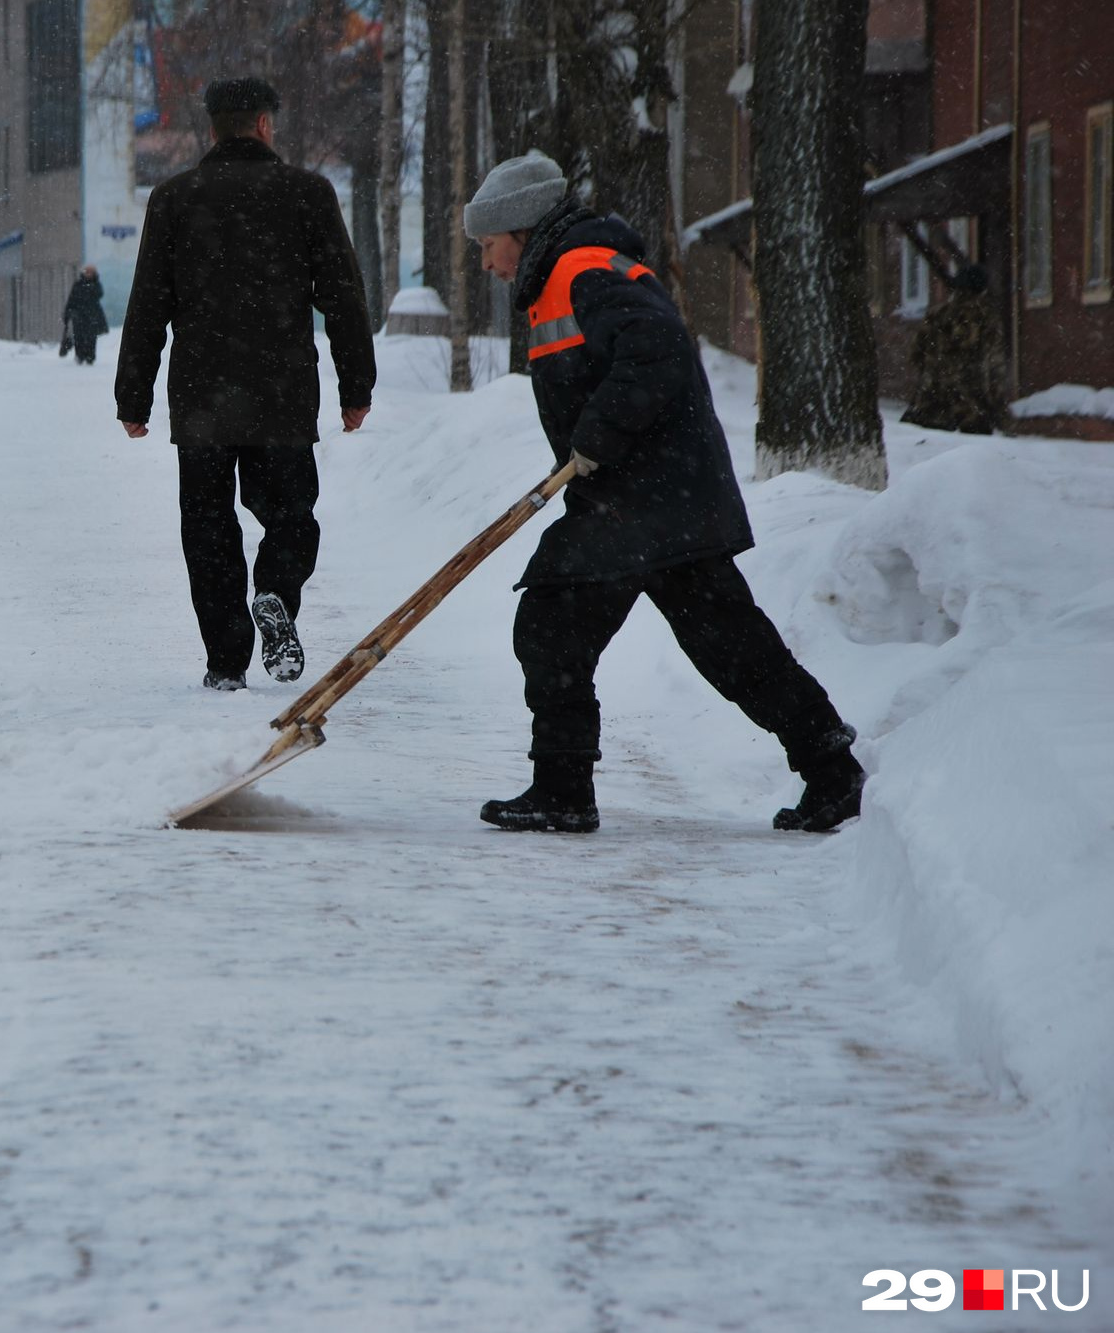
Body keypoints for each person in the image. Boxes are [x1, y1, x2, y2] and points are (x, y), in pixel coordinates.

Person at [464, 152, 865, 833]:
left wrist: (596, 435)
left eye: (488, 245)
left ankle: (563, 790)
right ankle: (831, 767)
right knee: (730, 643)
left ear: (521, 230)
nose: (485, 263)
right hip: (656, 498)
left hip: (643, 498)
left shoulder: (581, 270)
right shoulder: (567, 274)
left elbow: (658, 351)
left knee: (554, 623)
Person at [115, 76, 376, 692]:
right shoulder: (307, 194)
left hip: (201, 397)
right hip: (282, 393)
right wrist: (355, 386)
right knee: (290, 515)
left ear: (213, 128)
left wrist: (134, 396)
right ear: (264, 124)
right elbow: (342, 296)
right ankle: (276, 592)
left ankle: (225, 660)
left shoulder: (175, 198)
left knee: (206, 525)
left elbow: (149, 303)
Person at [901, 264, 1007, 434]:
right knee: (969, 455)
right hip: (971, 404)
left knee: (932, 451)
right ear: (982, 289)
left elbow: (915, 354)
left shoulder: (937, 314)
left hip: (933, 401)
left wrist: (932, 372)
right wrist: (998, 405)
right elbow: (995, 364)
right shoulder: (986, 317)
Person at [60, 266, 109, 365]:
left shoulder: (96, 284)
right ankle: (80, 356)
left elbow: (100, 294)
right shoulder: (78, 284)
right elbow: (72, 299)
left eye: (91, 272)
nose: (88, 274)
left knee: (91, 337)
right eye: (87, 272)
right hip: (79, 316)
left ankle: (90, 357)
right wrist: (68, 312)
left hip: (92, 316)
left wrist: (91, 287)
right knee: (78, 336)